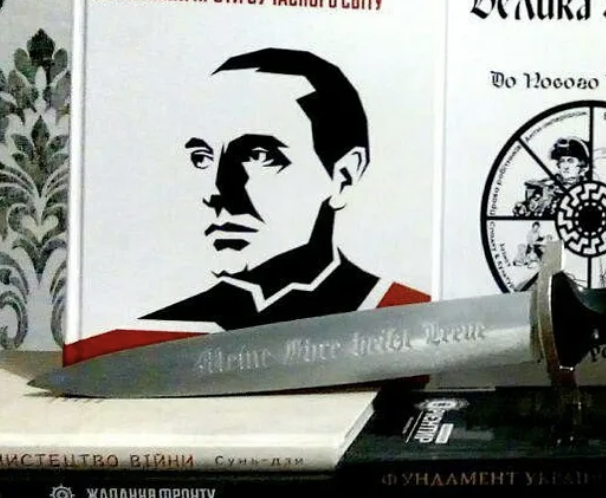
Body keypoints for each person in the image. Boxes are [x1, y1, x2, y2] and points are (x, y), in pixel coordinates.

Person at [139, 47, 407, 329]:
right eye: (202, 158)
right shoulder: (155, 334)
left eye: (258, 155)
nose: (215, 192)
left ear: (344, 176)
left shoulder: (402, 319)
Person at [512, 136, 592, 219]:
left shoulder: (588, 189)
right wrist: (525, 208)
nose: (565, 166)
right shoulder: (544, 187)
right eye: (562, 161)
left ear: (582, 164)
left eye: (570, 161)